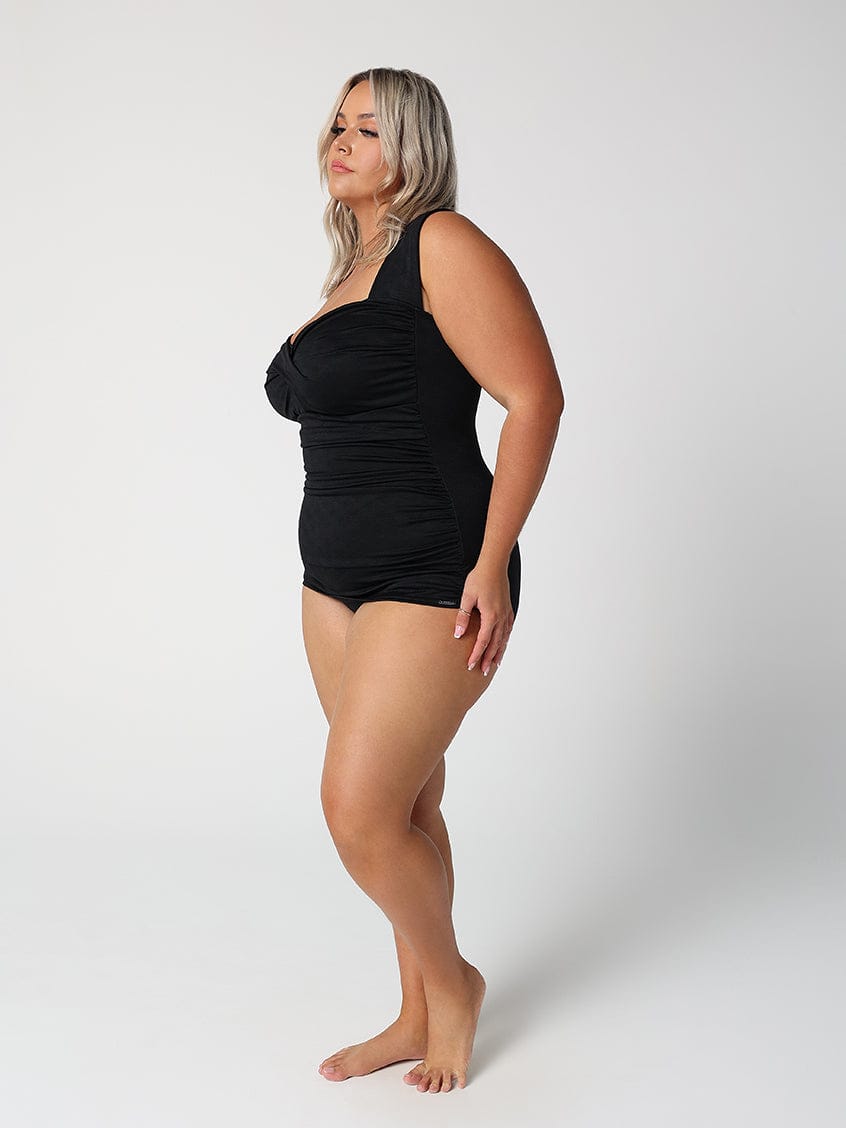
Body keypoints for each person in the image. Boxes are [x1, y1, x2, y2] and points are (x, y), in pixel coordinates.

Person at [264, 67, 564, 1094]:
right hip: (332, 570)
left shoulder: (444, 243)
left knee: (356, 810)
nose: (340, 140)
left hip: (435, 561)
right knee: (404, 804)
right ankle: (409, 1013)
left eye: (368, 128)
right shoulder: (352, 266)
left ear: (415, 150)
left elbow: (533, 398)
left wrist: (491, 563)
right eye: (337, 123)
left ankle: (454, 985)